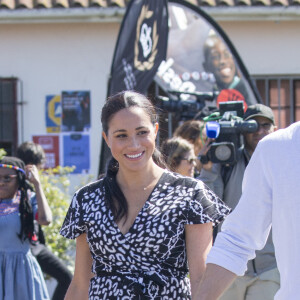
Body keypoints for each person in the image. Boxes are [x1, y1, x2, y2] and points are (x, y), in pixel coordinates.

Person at [60, 90, 230, 299]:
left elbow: (200, 280)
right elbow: (79, 284)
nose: (134, 144)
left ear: (155, 130)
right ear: (106, 138)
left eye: (142, 132)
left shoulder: (190, 194)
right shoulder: (87, 199)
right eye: (121, 135)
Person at [195, 121, 300, 300]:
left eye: (265, 125)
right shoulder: (277, 149)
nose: (259, 131)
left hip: (267, 271)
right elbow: (238, 238)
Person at [17, 141, 73, 300]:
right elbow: (45, 219)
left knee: (66, 277)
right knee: (66, 277)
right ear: (32, 165)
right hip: (27, 248)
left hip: (35, 245)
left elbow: (45, 219)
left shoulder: (30, 186)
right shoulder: (20, 188)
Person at [0, 156, 50, 300]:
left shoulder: (28, 200)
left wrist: (37, 184)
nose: (1, 182)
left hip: (21, 271)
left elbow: (45, 220)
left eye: (7, 178)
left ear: (19, 179)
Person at [203, 32, 249, 105]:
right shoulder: (206, 92)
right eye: (215, 57)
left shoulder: (245, 89)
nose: (222, 61)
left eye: (227, 54)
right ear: (206, 66)